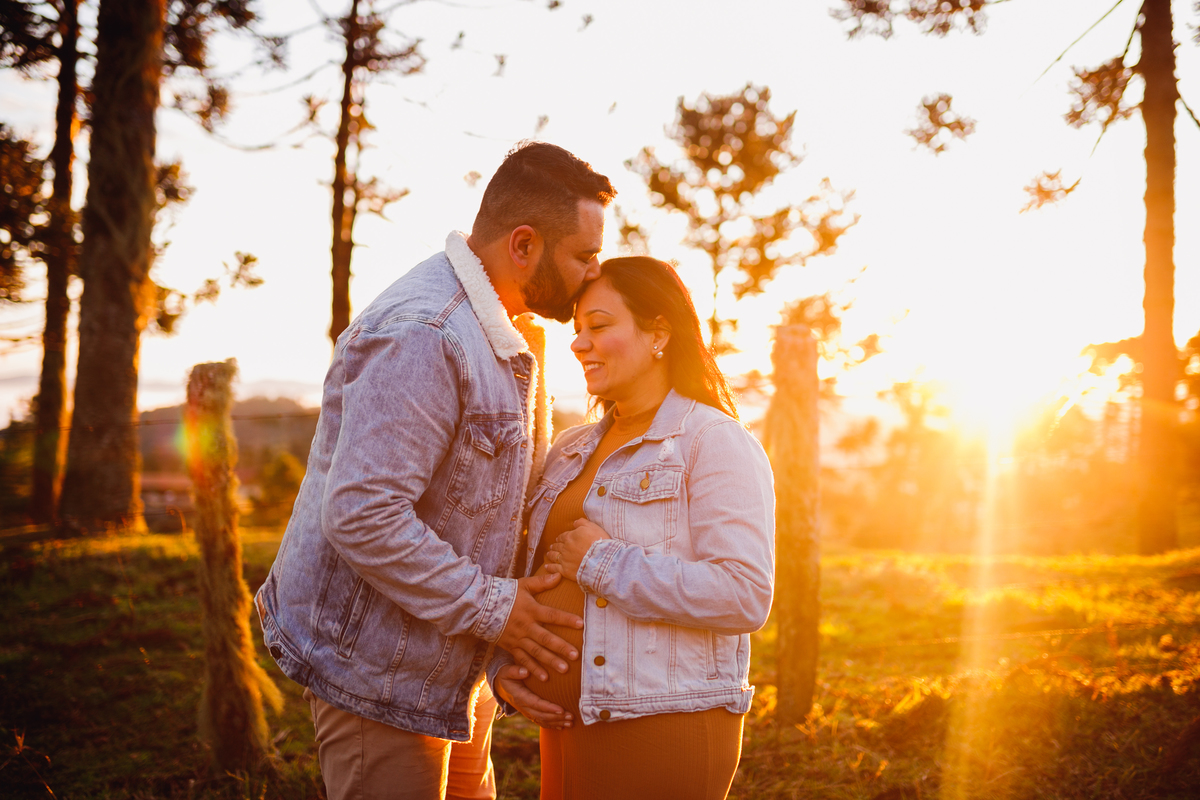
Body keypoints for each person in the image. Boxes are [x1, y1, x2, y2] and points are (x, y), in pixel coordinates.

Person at [255, 141, 616, 800]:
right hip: (377, 675)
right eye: (585, 256)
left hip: (450, 663)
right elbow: (363, 518)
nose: (595, 274)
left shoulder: (510, 330)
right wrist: (498, 610)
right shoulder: (427, 333)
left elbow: (493, 513)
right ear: (525, 245)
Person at [491, 257, 777, 800]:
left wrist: (601, 562)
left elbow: (744, 595)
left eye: (598, 326)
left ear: (659, 333)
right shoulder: (571, 449)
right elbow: (526, 570)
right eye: (577, 331)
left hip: (664, 724)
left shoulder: (712, 442)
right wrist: (503, 666)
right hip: (568, 728)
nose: (579, 344)